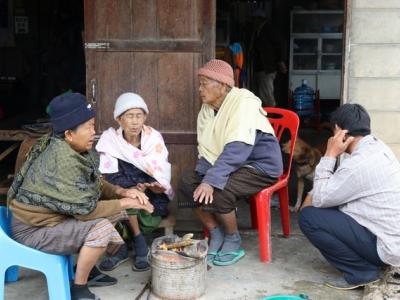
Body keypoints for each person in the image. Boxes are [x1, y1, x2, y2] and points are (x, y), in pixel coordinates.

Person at [8, 93, 153, 300]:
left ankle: (87, 268)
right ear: (68, 133)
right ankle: (79, 288)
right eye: (88, 127)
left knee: (114, 213)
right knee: (101, 229)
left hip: (50, 220)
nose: (93, 133)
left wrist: (121, 191)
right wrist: (127, 202)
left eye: (93, 126)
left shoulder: (70, 147)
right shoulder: (61, 160)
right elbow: (86, 211)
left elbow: (95, 182)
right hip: (34, 229)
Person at [177, 59, 283, 266]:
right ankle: (216, 232)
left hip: (259, 165)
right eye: (200, 84)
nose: (200, 89)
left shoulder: (243, 103)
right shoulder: (207, 110)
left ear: (223, 86)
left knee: (219, 188)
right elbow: (208, 150)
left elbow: (238, 149)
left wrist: (210, 180)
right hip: (231, 164)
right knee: (187, 182)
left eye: (205, 83)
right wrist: (203, 177)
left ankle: (233, 237)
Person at [299, 104, 400, 290]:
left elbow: (319, 199)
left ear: (339, 131)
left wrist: (329, 154)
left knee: (309, 218)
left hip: (386, 247)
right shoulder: (377, 147)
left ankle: (362, 273)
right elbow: (330, 191)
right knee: (326, 204)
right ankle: (369, 264)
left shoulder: (358, 164)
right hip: (392, 241)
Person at [96, 92, 173, 272]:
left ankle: (121, 249)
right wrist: (131, 188)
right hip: (121, 196)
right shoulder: (110, 141)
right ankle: (139, 244)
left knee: (135, 198)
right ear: (119, 119)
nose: (135, 121)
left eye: (139, 116)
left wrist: (151, 187)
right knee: (125, 198)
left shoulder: (153, 139)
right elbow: (110, 177)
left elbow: (160, 173)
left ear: (145, 117)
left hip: (151, 201)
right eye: (129, 116)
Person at [251, 8, 287, 107]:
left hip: (267, 68)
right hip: (262, 67)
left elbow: (280, 44)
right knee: (263, 95)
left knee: (267, 95)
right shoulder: (259, 30)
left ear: (260, 19)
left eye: (254, 19)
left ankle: (271, 119)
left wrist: (280, 61)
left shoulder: (268, 29)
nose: (253, 22)